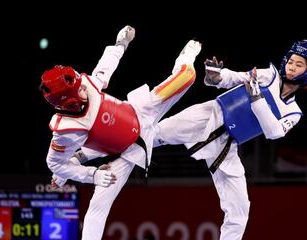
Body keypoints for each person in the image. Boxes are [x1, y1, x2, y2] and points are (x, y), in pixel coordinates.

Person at [40, 25, 202, 240]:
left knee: (187, 75)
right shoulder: (66, 131)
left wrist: (120, 44)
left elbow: (104, 67)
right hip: (127, 153)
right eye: (78, 89)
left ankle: (184, 57)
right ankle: (78, 164)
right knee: (98, 206)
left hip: (140, 110)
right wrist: (93, 175)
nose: (84, 87)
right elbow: (55, 163)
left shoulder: (86, 84)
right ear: (68, 103)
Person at [154, 39, 307, 240]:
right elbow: (234, 78)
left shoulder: (293, 112)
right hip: (210, 114)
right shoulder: (269, 76)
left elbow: (274, 132)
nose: (292, 67)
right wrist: (216, 77)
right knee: (154, 134)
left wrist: (257, 99)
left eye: (299, 64)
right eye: (291, 61)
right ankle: (112, 143)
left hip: (227, 146)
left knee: (239, 210)